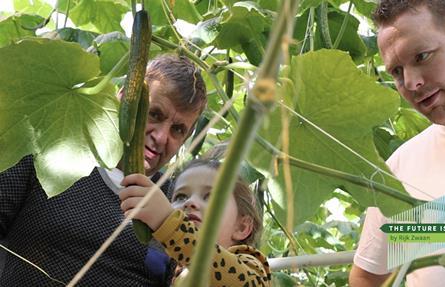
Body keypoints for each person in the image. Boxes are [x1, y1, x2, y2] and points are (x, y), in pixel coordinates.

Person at [0, 54, 206, 286]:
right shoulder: (49, 155)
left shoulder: (178, 204)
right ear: (123, 99)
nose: (160, 137)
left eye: (177, 130)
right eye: (155, 114)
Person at [349, 1, 445, 286]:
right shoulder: (401, 166)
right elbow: (368, 277)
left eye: (421, 56)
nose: (411, 83)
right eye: (396, 71)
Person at [119, 159, 272, 286]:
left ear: (242, 227)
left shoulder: (249, 264)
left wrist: (169, 223)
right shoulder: (176, 272)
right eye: (180, 197)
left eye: (210, 196)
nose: (190, 202)